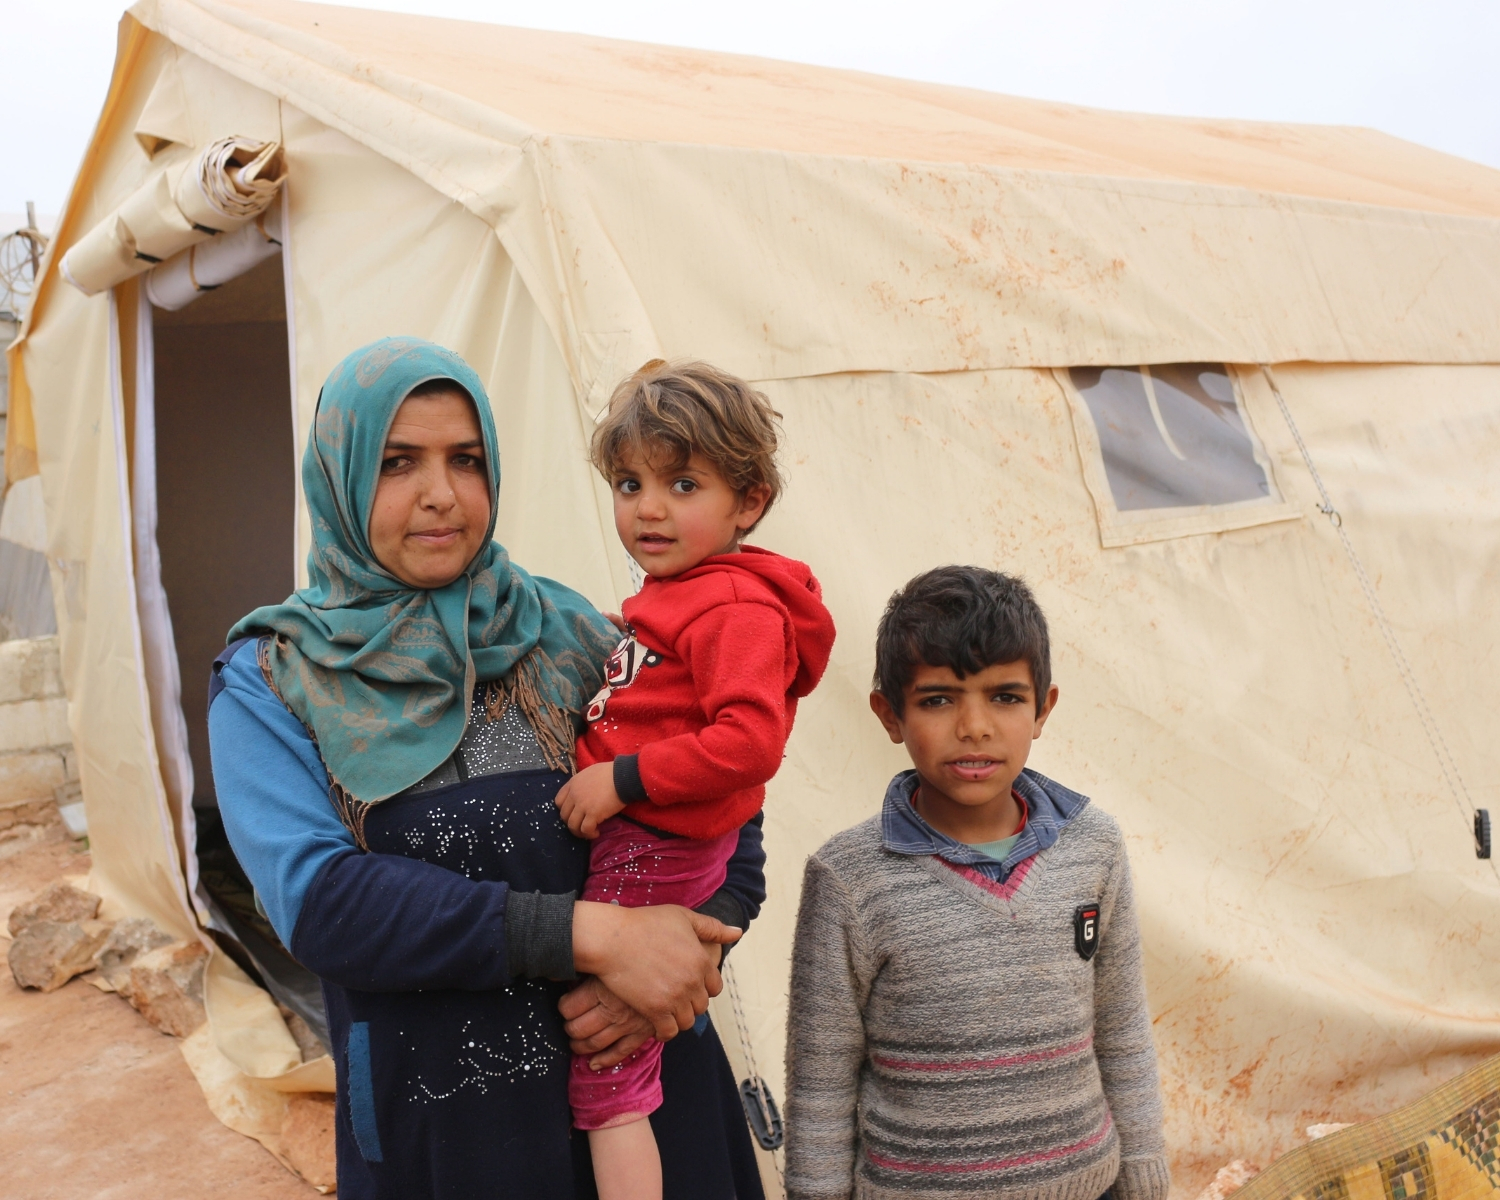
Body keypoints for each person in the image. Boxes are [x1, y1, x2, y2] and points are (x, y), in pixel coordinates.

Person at [207, 337, 768, 1200]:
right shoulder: (275, 677)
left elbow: (727, 806)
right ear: (340, 476)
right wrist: (601, 938)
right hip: (449, 1134)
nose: (440, 494)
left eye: (465, 460)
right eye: (398, 463)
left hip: (648, 1107)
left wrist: (686, 954)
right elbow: (324, 905)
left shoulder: (571, 633)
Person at [783, 566, 1170, 1200]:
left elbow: (1123, 1028)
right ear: (890, 714)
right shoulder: (849, 878)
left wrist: (1146, 1184)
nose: (975, 727)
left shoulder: (1094, 845)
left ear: (1043, 708)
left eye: (1005, 697)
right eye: (938, 699)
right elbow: (821, 1084)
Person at [553, 360, 836, 1200]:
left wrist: (624, 781)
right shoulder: (683, 592)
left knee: (610, 1083)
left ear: (747, 502)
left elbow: (749, 741)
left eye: (683, 483)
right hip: (653, 832)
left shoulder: (735, 608)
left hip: (657, 841)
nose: (648, 507)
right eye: (631, 483)